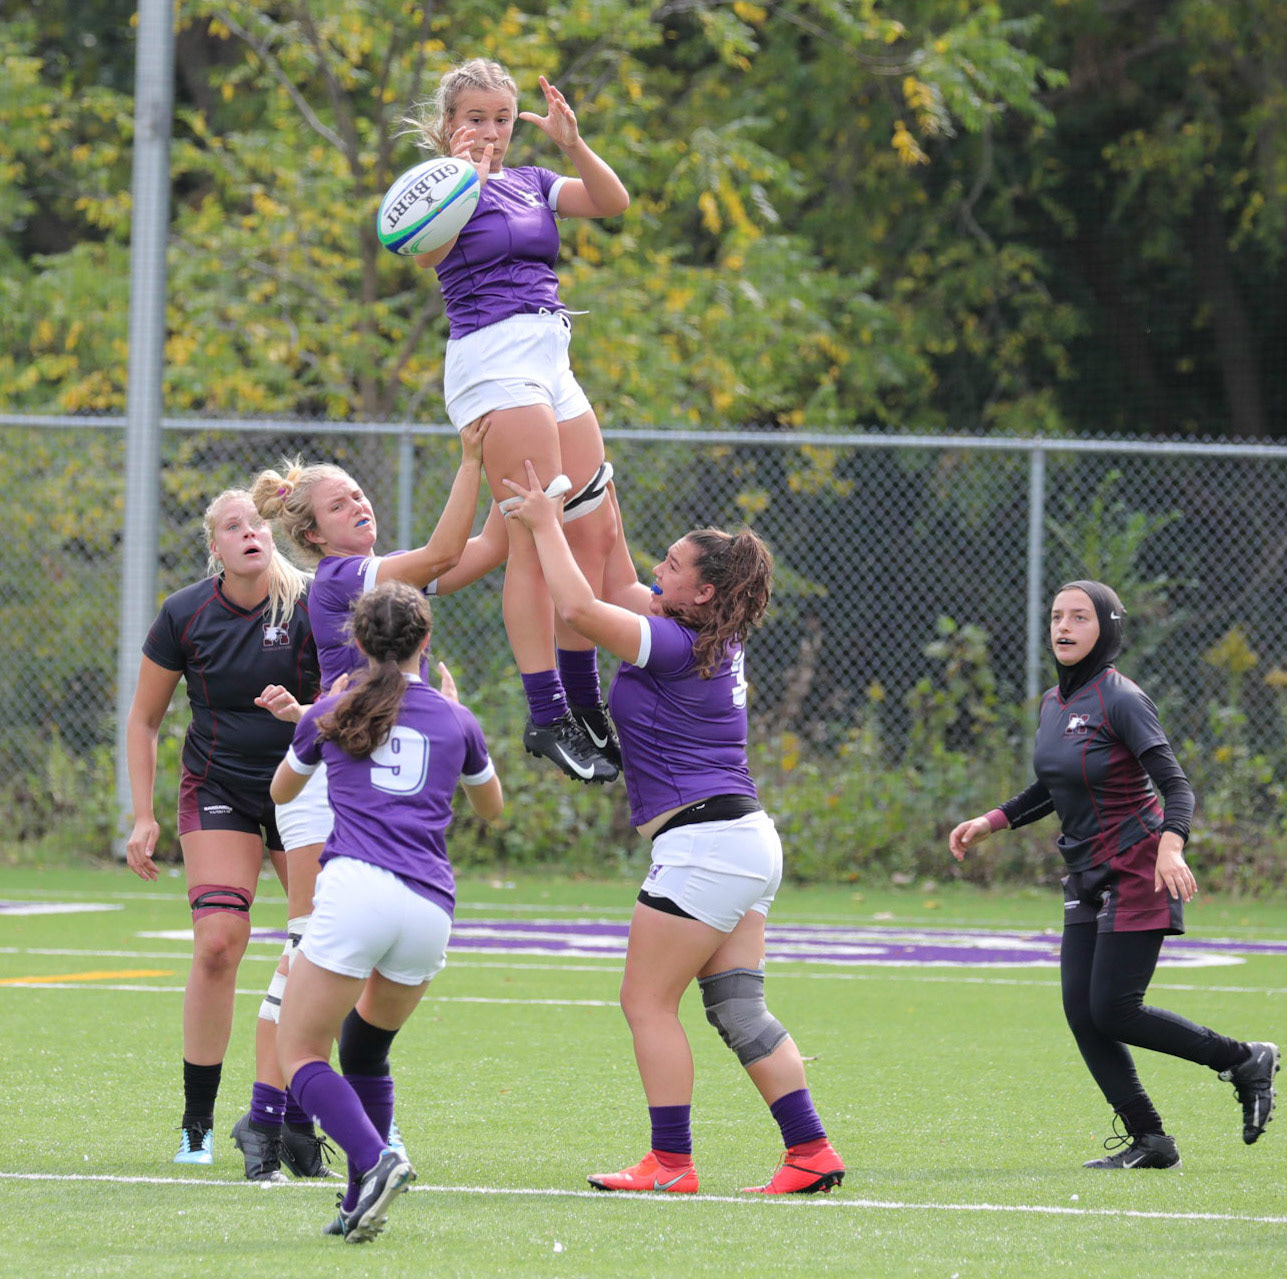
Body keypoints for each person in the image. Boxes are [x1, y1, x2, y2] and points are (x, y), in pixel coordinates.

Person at [502, 460, 844, 1195]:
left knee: (647, 1003)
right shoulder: (701, 631)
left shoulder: (676, 642)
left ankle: (671, 1161)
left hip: (706, 844)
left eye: (675, 564)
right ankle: (811, 1150)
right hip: (743, 841)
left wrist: (539, 525)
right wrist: (598, 482)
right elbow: (616, 566)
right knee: (738, 1008)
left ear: (704, 590)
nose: (661, 568)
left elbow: (578, 606)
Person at [948, 580, 1280, 1169]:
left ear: (1107, 626)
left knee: (1115, 1009)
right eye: (1056, 616)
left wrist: (1171, 847)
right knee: (1083, 1012)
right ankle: (1151, 1141)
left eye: (1080, 616)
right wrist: (992, 820)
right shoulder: (1054, 703)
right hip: (1085, 873)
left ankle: (1243, 1059)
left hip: (1137, 867)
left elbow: (1177, 786)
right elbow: (1054, 785)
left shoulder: (1121, 698)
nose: (1063, 627)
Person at [401, 57, 631, 785]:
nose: (492, 132)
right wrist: (462, 170)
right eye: (476, 118)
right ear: (448, 124)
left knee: (592, 530)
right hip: (494, 361)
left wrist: (572, 142)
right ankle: (547, 712)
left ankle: (585, 701)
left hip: (550, 352)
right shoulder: (441, 188)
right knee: (536, 535)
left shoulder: (530, 180)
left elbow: (611, 201)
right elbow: (423, 249)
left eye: (502, 118)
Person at [270, 581, 503, 1242]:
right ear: (425, 642)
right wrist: (457, 719)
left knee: (300, 1048)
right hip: (430, 905)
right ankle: (357, 1201)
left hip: (357, 889)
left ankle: (376, 1158)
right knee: (365, 1049)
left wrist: (321, 719)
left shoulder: (335, 708)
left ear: (359, 643)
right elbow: (491, 808)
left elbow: (281, 788)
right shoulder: (455, 719)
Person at [124, 490, 327, 1173]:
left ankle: (293, 1120)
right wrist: (144, 814)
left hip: (300, 789)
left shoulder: (308, 603)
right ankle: (197, 1123)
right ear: (215, 547)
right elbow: (144, 719)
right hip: (220, 789)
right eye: (233, 526)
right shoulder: (185, 613)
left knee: (323, 945)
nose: (249, 531)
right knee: (218, 941)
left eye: (257, 522)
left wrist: (303, 711)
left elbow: (348, 698)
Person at [251, 417, 488, 690]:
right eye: (337, 507)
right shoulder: (336, 578)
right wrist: (471, 463)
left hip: (406, 721)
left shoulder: (393, 567)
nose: (356, 507)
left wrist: (519, 466)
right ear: (314, 534)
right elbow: (443, 556)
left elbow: (492, 546)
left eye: (357, 496)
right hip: (358, 728)